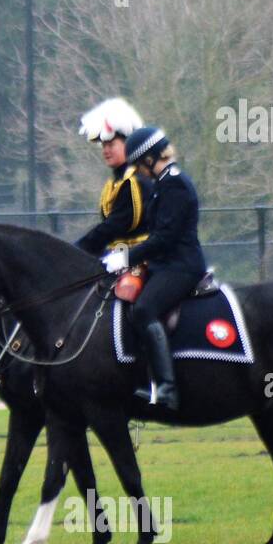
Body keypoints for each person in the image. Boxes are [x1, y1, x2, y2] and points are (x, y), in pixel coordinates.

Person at [101, 126, 206, 411]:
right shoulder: (163, 182)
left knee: (145, 309)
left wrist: (127, 258)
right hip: (164, 264)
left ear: (149, 159)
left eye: (139, 164)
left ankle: (166, 389)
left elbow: (165, 238)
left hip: (181, 267)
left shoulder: (174, 183)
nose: (139, 171)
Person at [74, 97, 153, 255]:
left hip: (139, 257)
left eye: (111, 145)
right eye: (104, 145)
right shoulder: (116, 182)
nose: (106, 150)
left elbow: (113, 226)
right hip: (116, 255)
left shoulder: (135, 181)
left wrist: (78, 249)